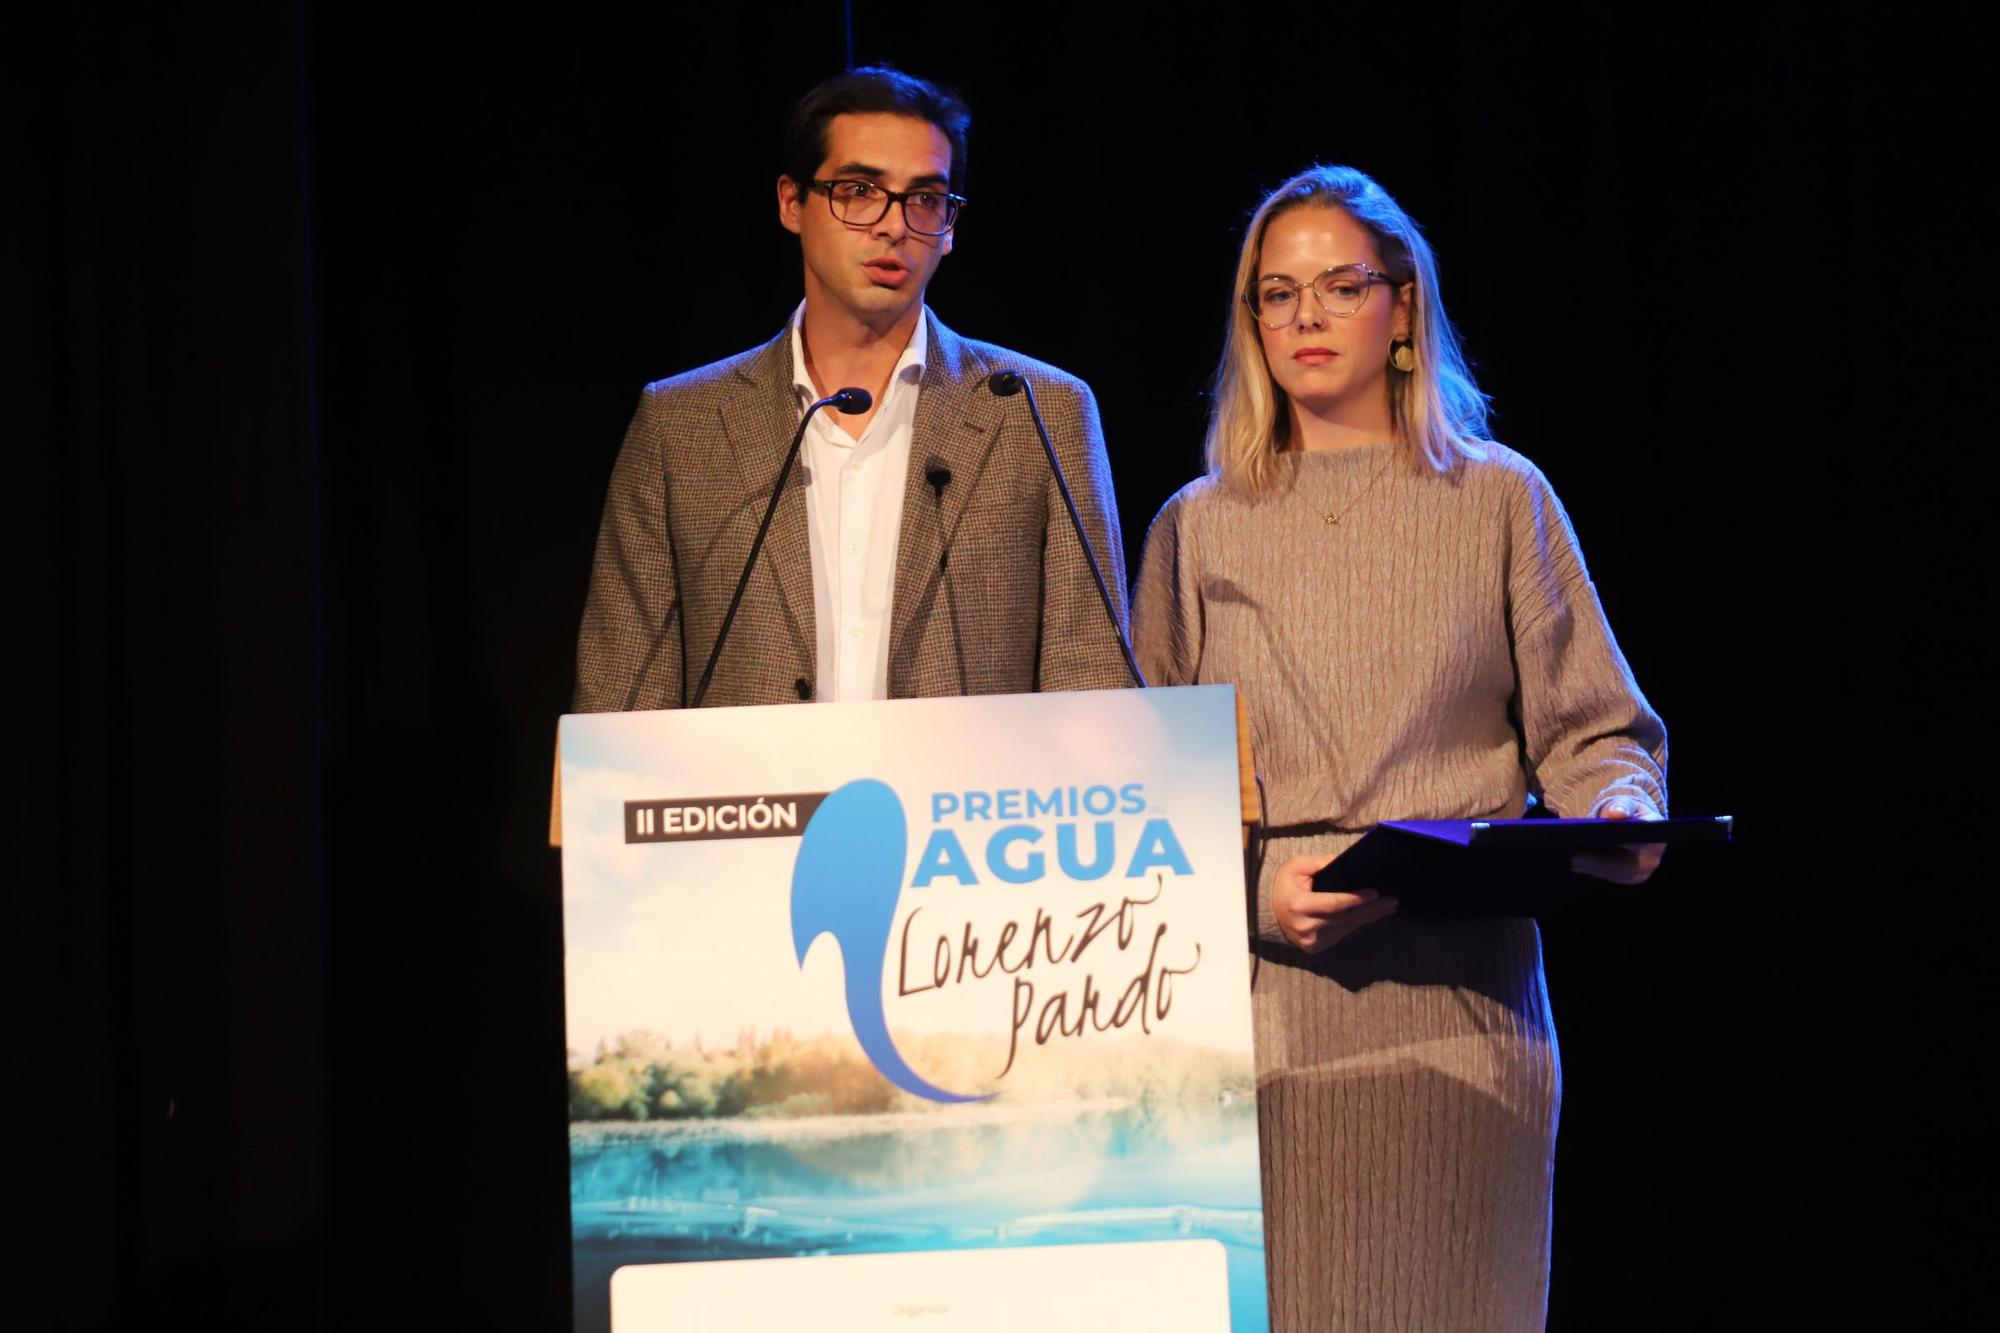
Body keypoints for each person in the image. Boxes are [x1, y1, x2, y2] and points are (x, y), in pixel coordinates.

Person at [1131, 164, 1668, 1329]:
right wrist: (1252, 895)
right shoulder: (1195, 524)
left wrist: (1618, 810)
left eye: (1337, 286)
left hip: (1460, 1017)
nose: (1305, 318)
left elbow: (1598, 731)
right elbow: (1138, 800)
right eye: (1274, 295)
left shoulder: (1497, 499)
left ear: (1403, 306)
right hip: (1262, 1025)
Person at [572, 66, 1132, 713]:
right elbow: (619, 706)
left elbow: (1094, 690)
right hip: (755, 809)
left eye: (924, 198)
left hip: (965, 809)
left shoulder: (1039, 411)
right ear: (791, 202)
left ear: (950, 228)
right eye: (861, 190)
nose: (894, 224)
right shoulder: (679, 427)